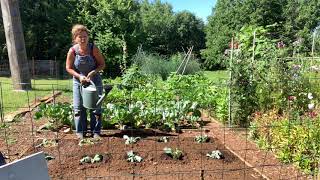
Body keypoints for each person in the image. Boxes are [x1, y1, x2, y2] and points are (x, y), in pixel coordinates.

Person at [66, 24, 105, 139]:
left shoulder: (94, 49)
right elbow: (68, 68)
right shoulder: (72, 51)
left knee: (96, 107)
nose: (83, 39)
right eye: (80, 37)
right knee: (78, 108)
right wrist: (79, 76)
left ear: (88, 37)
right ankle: (80, 132)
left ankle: (96, 132)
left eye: (85, 36)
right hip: (79, 81)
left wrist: (93, 72)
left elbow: (102, 64)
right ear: (75, 39)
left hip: (94, 80)